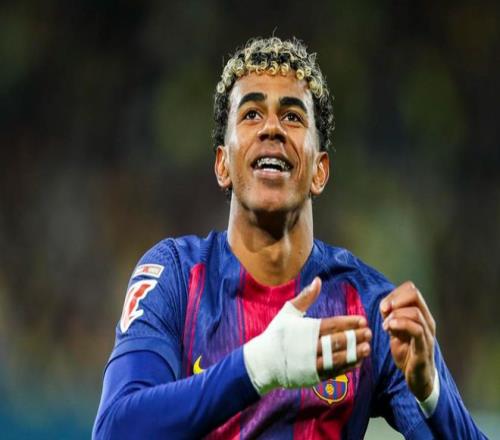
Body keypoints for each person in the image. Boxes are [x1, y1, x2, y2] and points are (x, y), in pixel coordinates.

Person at [92, 37, 486, 439]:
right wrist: (259, 366)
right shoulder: (176, 277)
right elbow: (114, 430)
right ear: (222, 165)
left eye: (293, 117)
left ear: (319, 171)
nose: (272, 128)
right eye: (251, 114)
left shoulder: (368, 308)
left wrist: (431, 393)